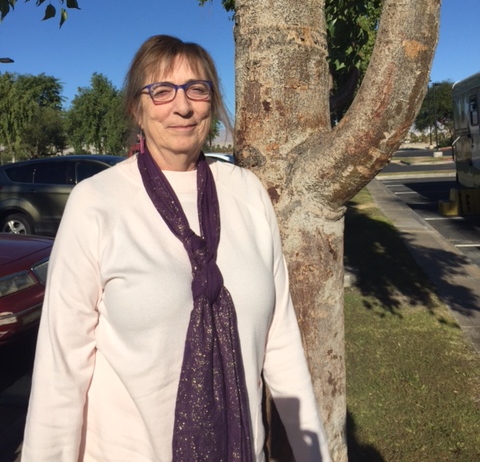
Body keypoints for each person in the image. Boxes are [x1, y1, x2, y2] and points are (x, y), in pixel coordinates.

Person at [22, 35, 331, 462]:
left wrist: (315, 454)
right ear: (137, 108)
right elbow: (62, 366)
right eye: (162, 90)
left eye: (197, 89)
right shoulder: (97, 203)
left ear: (212, 102)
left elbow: (280, 341)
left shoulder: (247, 193)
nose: (182, 106)